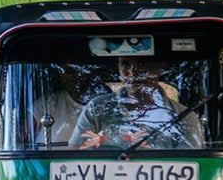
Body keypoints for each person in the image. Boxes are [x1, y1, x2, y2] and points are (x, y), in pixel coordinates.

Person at [72, 63, 206, 150]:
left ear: (159, 69)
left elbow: (190, 166)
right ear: (118, 68)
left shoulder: (185, 117)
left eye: (142, 65)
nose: (132, 72)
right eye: (125, 65)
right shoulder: (96, 108)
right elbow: (75, 154)